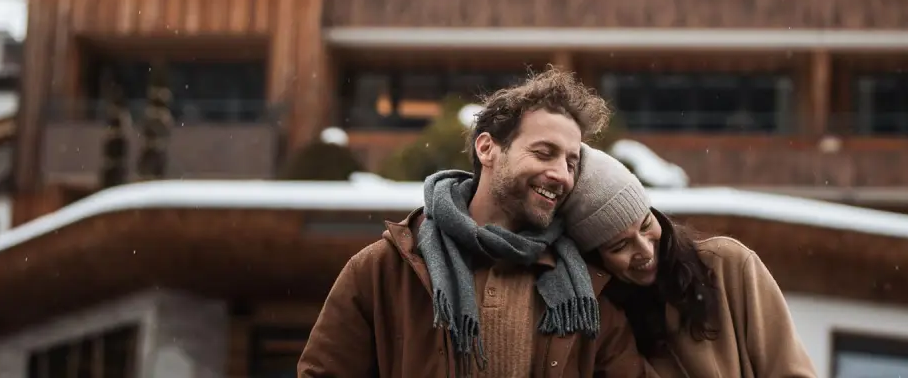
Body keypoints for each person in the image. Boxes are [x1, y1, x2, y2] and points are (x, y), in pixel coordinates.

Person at [298, 68, 658, 377]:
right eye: (544, 153)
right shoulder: (381, 271)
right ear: (487, 149)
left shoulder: (586, 292)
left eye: (571, 162)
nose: (561, 175)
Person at [562, 145, 818, 378]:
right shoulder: (605, 320)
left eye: (646, 225)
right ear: (597, 259)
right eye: (620, 245)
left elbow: (789, 368)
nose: (645, 250)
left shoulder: (729, 265)